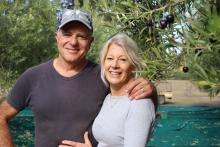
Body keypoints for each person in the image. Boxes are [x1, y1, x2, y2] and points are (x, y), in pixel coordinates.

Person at [0, 9, 157, 147]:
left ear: (91, 42)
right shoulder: (33, 77)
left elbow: (135, 104)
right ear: (57, 37)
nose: (73, 42)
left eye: (81, 36)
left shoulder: (104, 76)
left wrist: (151, 90)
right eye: (67, 34)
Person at [59, 33, 156, 147]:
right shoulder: (109, 98)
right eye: (110, 58)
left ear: (133, 65)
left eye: (123, 60)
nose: (114, 65)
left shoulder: (138, 103)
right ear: (103, 63)